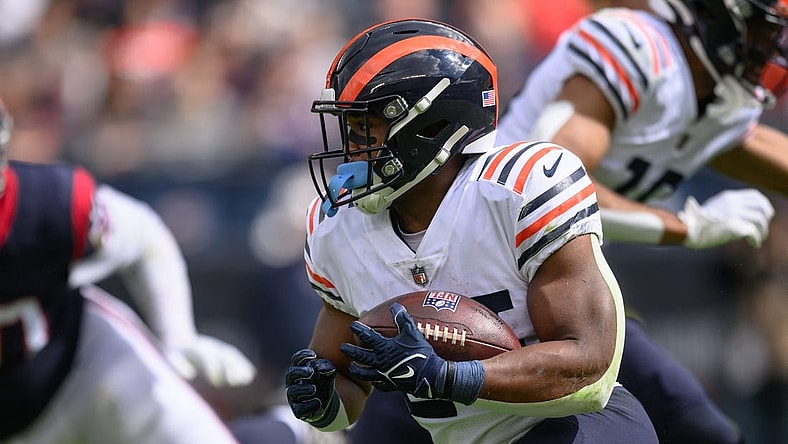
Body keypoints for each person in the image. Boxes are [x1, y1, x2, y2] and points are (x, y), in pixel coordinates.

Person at [284, 18, 658, 443]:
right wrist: (322, 398)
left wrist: (448, 376)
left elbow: (589, 366)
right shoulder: (337, 231)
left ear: (432, 125)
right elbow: (348, 387)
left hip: (574, 429)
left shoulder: (517, 190)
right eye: (348, 127)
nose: (353, 146)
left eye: (366, 125)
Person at [494, 0, 788, 442]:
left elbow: (740, 142)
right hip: (493, 264)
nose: (774, 51)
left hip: (553, 281)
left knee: (694, 423)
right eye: (767, 34)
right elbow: (554, 192)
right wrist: (687, 226)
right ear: (717, 16)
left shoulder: (715, 94)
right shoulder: (641, 50)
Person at [0, 99, 257, 443]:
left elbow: (143, 235)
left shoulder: (49, 200)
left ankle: (291, 428)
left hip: (89, 363)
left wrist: (177, 334)